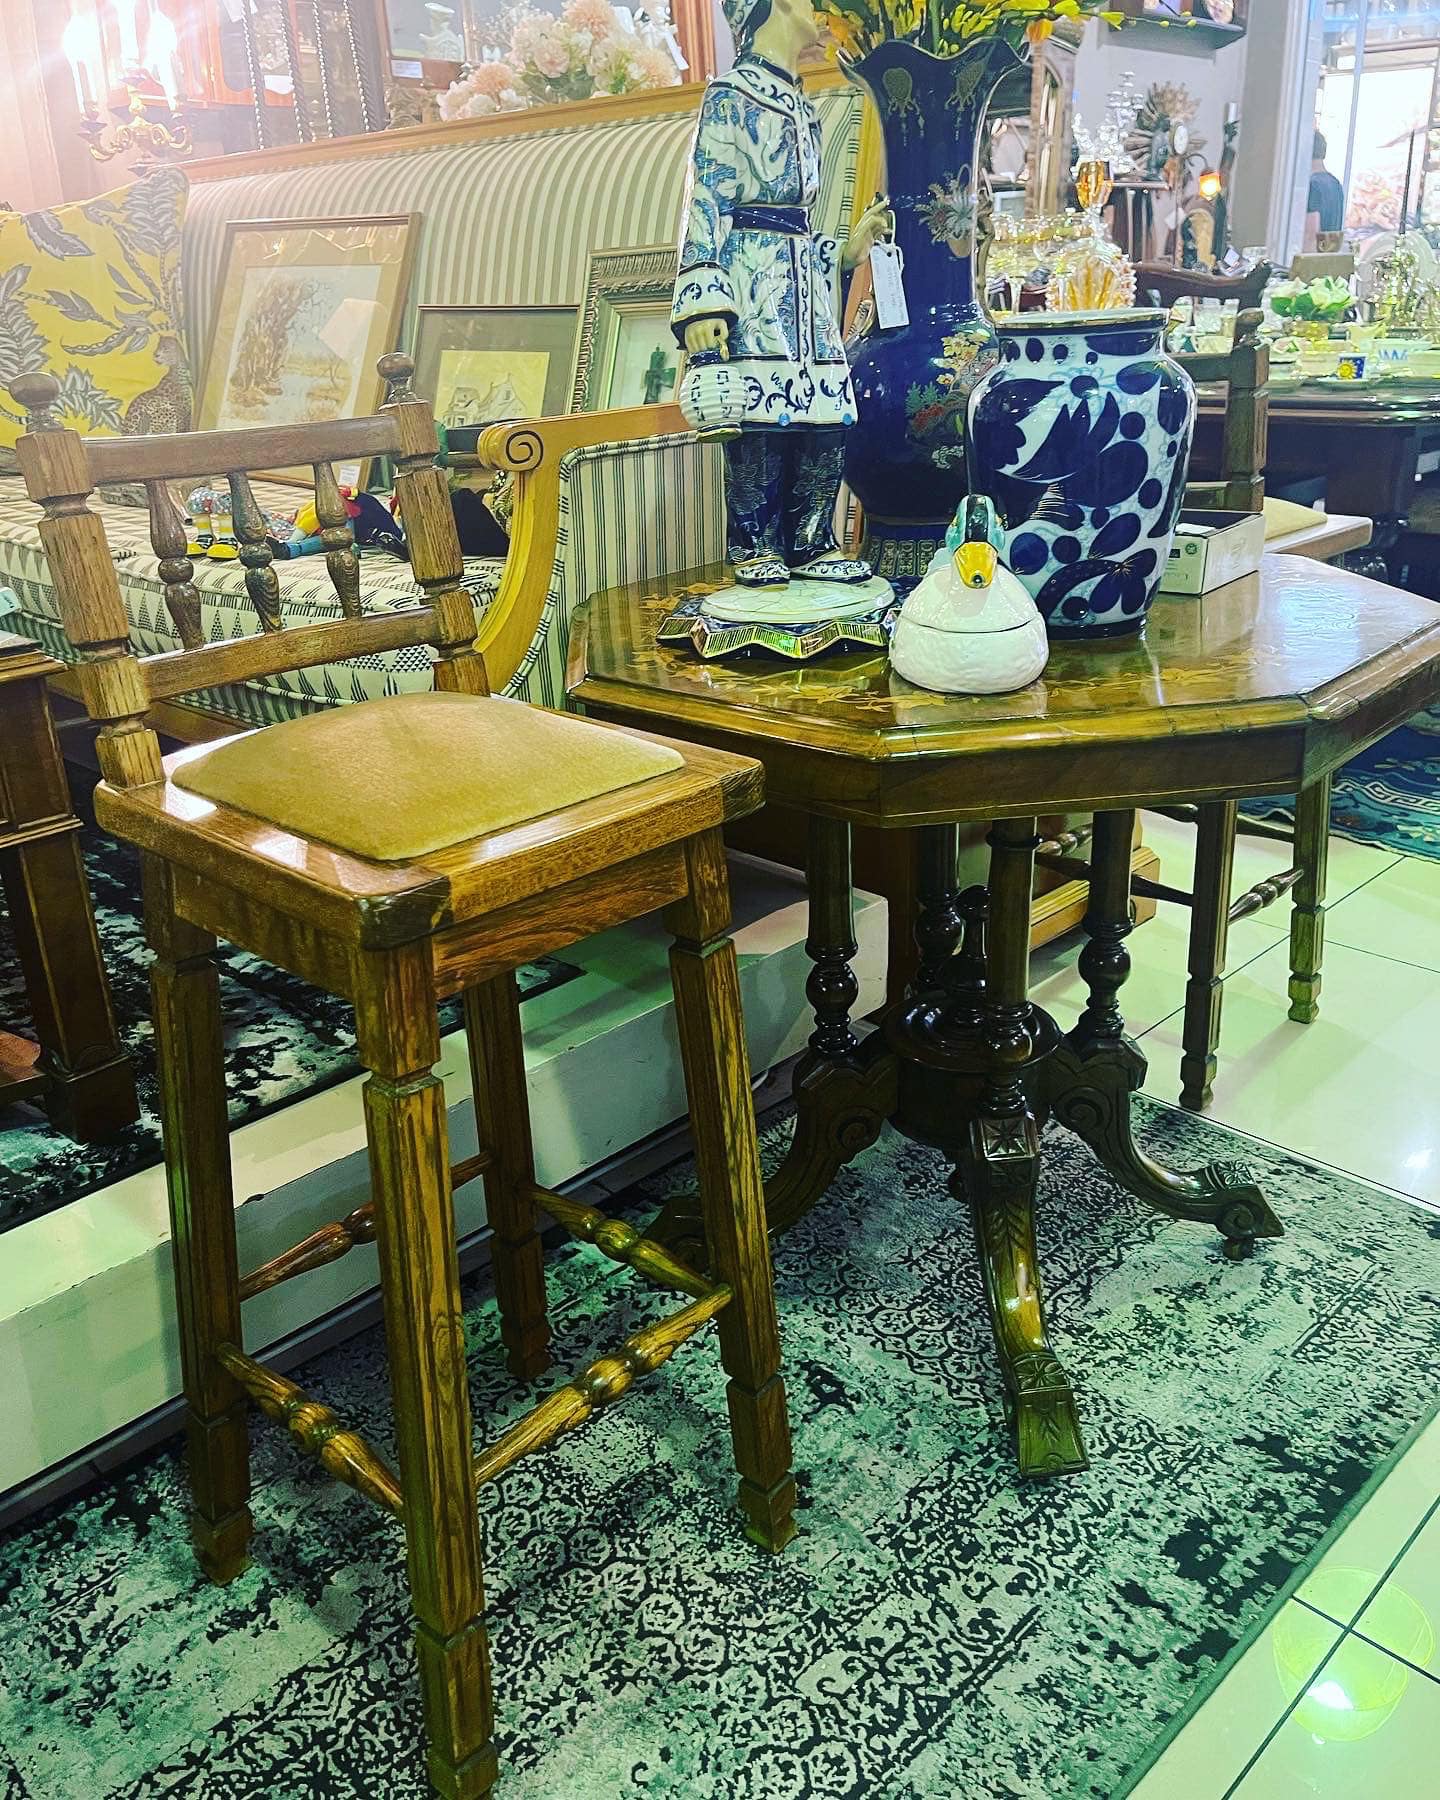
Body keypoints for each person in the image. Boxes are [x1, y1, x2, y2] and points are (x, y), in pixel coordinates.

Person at [670, 0, 891, 587]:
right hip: (751, 282)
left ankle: (811, 541)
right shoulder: (728, 95)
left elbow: (799, 218)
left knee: (823, 416)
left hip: (805, 287)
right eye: (805, 3)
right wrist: (703, 303)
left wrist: (845, 251)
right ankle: (755, 544)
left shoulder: (803, 103)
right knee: (759, 420)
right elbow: (707, 203)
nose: (820, 14)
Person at [1305, 129, 1346, 252]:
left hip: (1312, 263)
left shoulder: (1312, 185)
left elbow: (1310, 235)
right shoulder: (1335, 184)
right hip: (1329, 259)